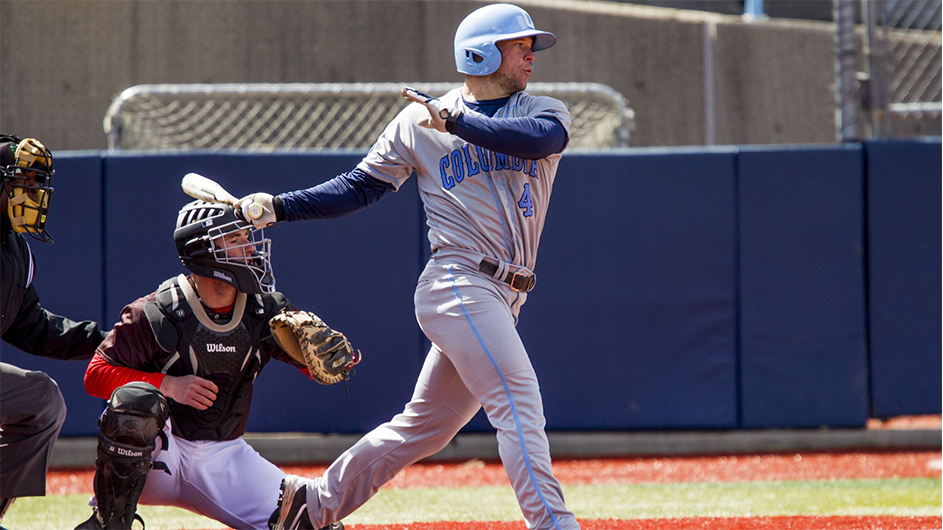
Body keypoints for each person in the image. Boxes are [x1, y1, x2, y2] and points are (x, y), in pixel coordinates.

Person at [238, 4, 579, 529]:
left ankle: (311, 507)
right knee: (518, 401)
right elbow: (357, 187)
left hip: (506, 295)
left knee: (425, 427)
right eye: (519, 44)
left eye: (530, 44)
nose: (530, 53)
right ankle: (554, 524)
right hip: (458, 282)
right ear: (481, 53)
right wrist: (279, 207)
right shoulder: (419, 122)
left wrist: (458, 122)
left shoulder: (543, 110)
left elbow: (540, 141)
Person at [73, 200, 343, 530]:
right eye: (237, 238)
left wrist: (327, 361)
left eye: (247, 236)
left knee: (313, 522)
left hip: (224, 454)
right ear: (205, 250)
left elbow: (317, 369)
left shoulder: (266, 309)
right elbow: (96, 376)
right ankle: (108, 521)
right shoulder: (156, 311)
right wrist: (169, 385)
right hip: (159, 454)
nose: (249, 247)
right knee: (135, 401)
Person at [0, 135, 109, 524]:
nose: (33, 194)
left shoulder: (16, 249)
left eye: (36, 185)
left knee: (42, 401)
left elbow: (32, 327)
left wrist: (108, 342)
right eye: (24, 183)